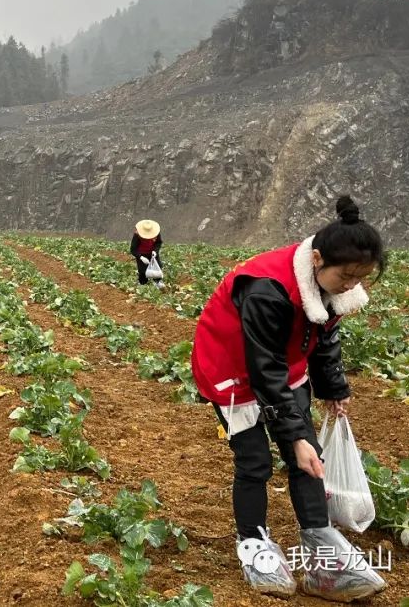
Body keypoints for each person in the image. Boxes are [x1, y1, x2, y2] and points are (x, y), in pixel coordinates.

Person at [190, 196, 387, 601]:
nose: (351, 285)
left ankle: (321, 553)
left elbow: (323, 332)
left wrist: (332, 388)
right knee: (255, 461)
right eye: (346, 275)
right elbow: (263, 370)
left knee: (310, 459)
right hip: (232, 372)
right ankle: (254, 544)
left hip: (282, 366)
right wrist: (293, 435)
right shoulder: (267, 289)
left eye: (360, 277)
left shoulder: (333, 288)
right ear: (316, 259)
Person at [129, 219, 163, 287]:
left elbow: (158, 243)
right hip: (141, 254)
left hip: (152, 254)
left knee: (157, 267)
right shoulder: (137, 235)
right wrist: (141, 257)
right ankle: (142, 284)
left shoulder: (156, 233)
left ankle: (157, 282)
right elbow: (133, 249)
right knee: (143, 271)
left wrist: (155, 251)